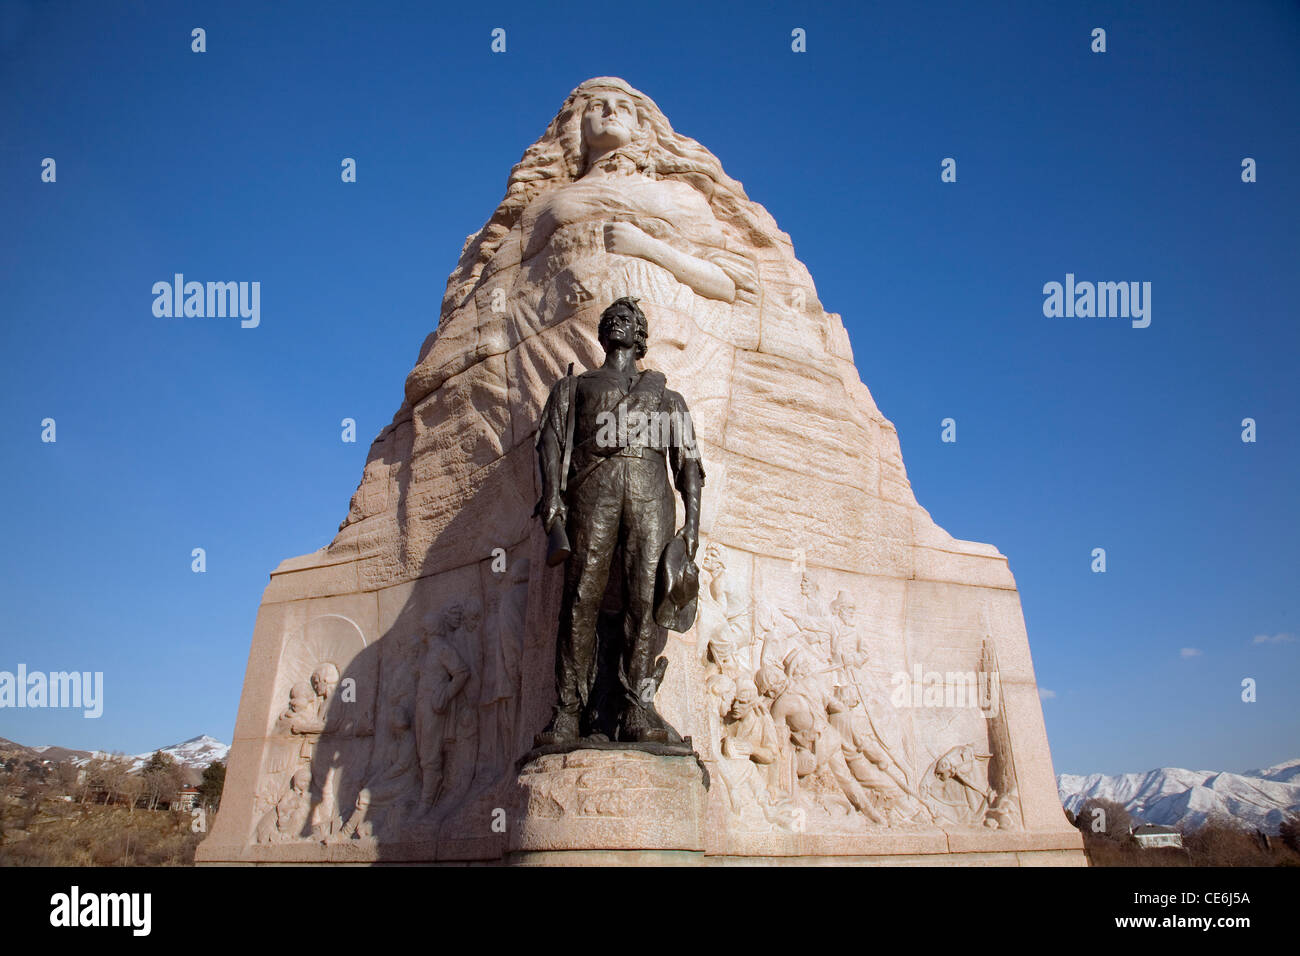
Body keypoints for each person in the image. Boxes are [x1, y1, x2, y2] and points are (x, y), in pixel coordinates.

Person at [534, 296, 704, 745]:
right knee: (580, 598)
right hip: (595, 490)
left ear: (640, 336)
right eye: (610, 318)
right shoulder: (575, 388)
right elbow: (549, 444)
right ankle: (568, 711)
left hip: (651, 492)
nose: (616, 321)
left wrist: (692, 526)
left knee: (644, 603)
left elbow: (688, 463)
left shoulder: (666, 397)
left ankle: (637, 708)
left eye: (627, 319)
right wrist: (552, 499)